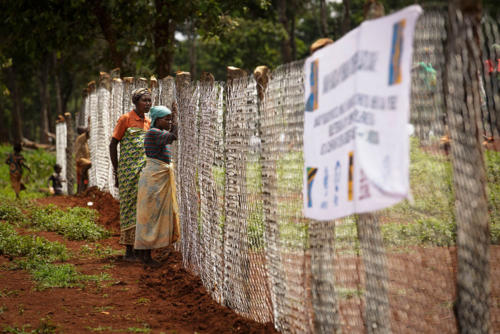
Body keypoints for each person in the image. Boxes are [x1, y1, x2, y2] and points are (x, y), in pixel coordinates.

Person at [109, 87, 152, 261]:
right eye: (144, 100)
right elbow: (113, 144)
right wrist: (117, 170)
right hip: (127, 172)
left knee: (144, 208)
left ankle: (142, 249)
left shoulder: (148, 123)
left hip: (144, 171)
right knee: (128, 207)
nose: (148, 104)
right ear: (136, 102)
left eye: (149, 101)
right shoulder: (125, 119)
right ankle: (129, 250)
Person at [135, 106, 180, 266]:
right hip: (154, 179)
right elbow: (172, 137)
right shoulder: (154, 132)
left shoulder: (157, 133)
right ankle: (145, 256)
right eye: (166, 119)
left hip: (157, 178)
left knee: (153, 216)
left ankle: (147, 253)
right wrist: (176, 119)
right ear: (156, 119)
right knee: (150, 216)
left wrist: (173, 118)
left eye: (169, 119)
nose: (168, 122)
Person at [74, 126, 91, 193]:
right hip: (81, 160)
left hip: (84, 160)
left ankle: (84, 191)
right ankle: (83, 170)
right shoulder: (80, 137)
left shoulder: (84, 140)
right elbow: (87, 132)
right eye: (83, 129)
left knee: (85, 178)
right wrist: (90, 123)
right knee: (90, 163)